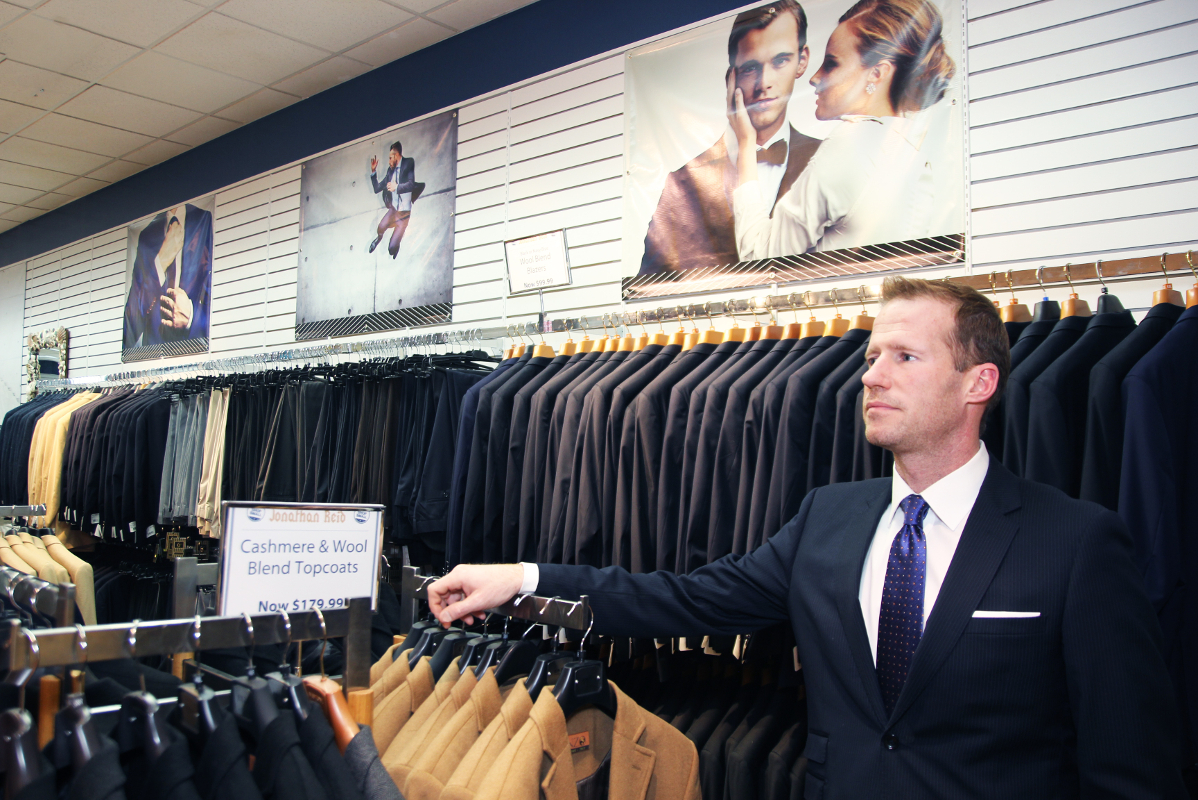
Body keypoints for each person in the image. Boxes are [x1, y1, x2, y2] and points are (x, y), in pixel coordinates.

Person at [428, 276, 1187, 798]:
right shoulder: (829, 517)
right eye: (869, 357)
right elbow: (684, 599)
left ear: (977, 383)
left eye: (904, 357)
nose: (871, 376)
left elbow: (1131, 766)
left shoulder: (1078, 542)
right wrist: (523, 580)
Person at [732, 0, 961, 257]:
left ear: (876, 74)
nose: (814, 77)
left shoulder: (852, 145)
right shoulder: (908, 150)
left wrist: (745, 144)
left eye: (831, 64)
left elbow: (757, 255)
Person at [637, 0, 822, 275]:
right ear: (730, 78)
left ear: (802, 60)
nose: (764, 83)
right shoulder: (682, 185)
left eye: (780, 60)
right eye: (750, 68)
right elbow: (649, 289)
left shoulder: (826, 159)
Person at [122, 203, 213, 349]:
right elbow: (131, 324)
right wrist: (160, 261)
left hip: (194, 350)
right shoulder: (147, 236)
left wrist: (190, 317)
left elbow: (214, 295)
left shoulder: (204, 221)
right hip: (153, 355)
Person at [369, 141, 424, 258]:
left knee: (391, 249)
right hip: (393, 210)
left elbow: (411, 184)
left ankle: (396, 244)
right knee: (380, 227)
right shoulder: (390, 171)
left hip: (403, 214)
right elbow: (377, 188)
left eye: (390, 158)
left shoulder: (408, 163)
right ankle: (379, 238)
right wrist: (373, 172)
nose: (389, 161)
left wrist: (397, 187)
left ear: (396, 155)